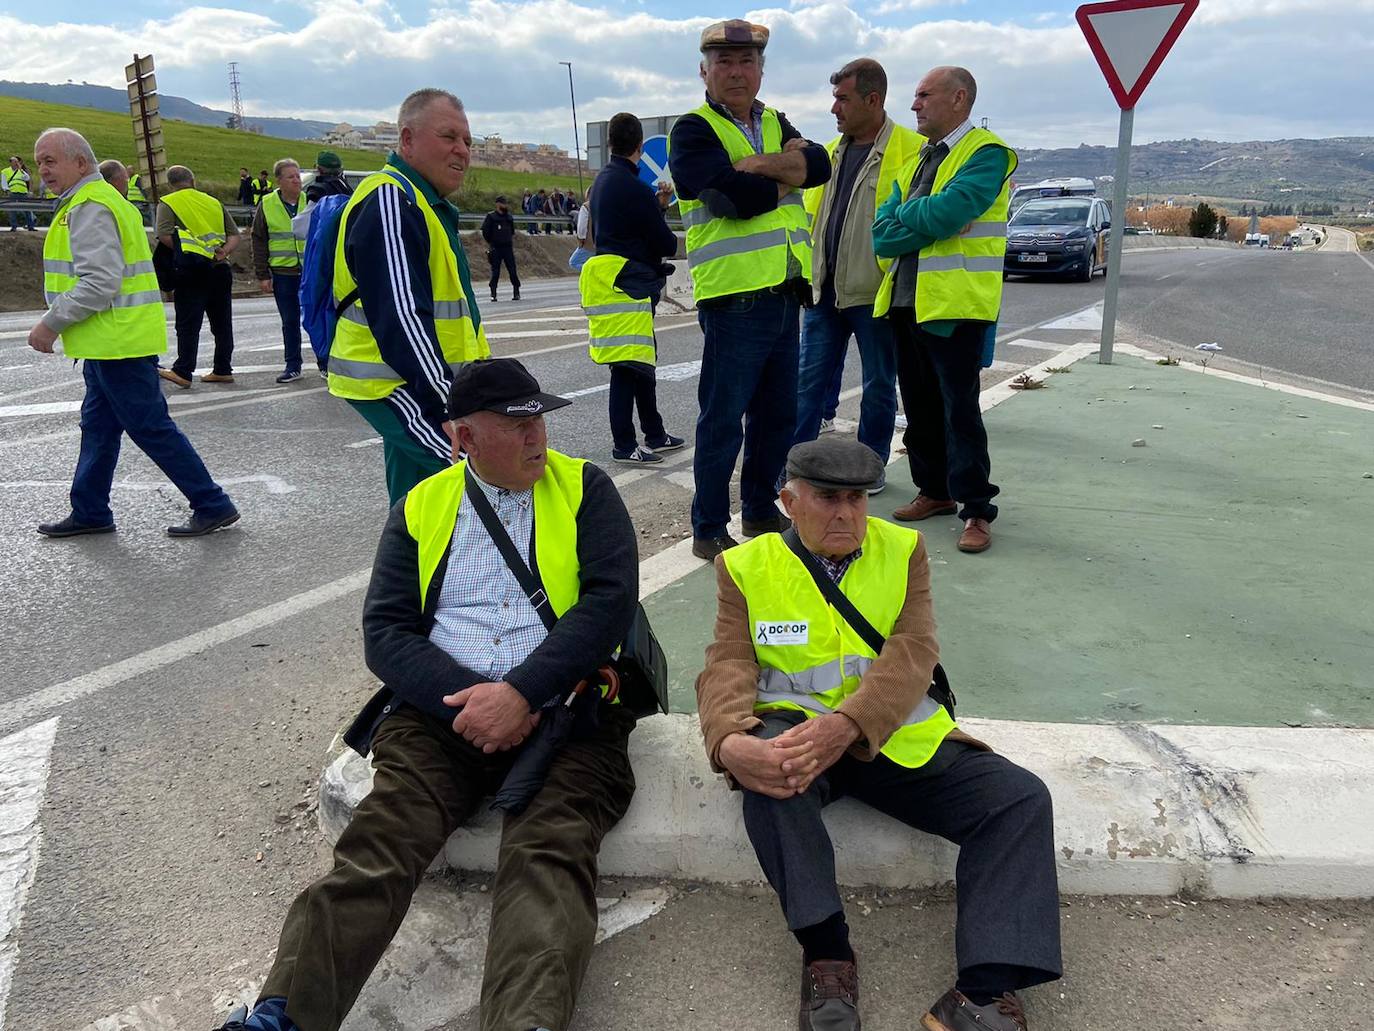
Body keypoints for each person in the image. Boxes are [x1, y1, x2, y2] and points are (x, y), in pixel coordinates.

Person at [217, 358, 640, 1031]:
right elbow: (384, 632)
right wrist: (475, 701)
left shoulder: (586, 489)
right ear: (464, 437)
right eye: (516, 422)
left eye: (539, 418)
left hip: (568, 711)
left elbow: (609, 604)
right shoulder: (422, 505)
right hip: (443, 719)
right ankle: (283, 1014)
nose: (538, 435)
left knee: (546, 855)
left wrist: (524, 692)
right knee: (378, 845)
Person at [696, 435, 1061, 1031]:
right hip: (802, 736)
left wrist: (850, 724)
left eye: (857, 498)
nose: (845, 512)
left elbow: (914, 650)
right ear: (789, 501)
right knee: (768, 772)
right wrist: (727, 740)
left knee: (1018, 799)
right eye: (826, 497)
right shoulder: (744, 565)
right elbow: (729, 661)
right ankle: (827, 953)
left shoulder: (904, 548)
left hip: (891, 736)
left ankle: (983, 992)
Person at [667, 18, 831, 561]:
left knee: (777, 417)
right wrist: (790, 170)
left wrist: (760, 165)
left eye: (746, 62)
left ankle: (760, 508)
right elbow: (729, 200)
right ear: (704, 71)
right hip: (735, 297)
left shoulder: (775, 120)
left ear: (760, 69)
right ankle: (709, 526)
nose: (736, 72)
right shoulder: (692, 131)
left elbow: (822, 165)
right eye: (724, 63)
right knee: (722, 418)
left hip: (786, 291)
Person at [28, 128, 239, 539]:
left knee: (150, 427)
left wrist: (50, 324)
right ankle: (90, 510)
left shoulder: (90, 206)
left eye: (50, 161)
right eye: (39, 162)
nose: (43, 170)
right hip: (108, 341)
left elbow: (99, 282)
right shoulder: (100, 200)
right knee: (99, 428)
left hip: (117, 342)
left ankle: (211, 503)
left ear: (81, 163)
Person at [872, 67, 1017, 554]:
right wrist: (914, 220)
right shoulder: (922, 156)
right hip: (905, 302)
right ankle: (934, 491)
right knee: (918, 406)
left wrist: (907, 217)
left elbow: (951, 213)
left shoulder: (986, 153)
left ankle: (976, 508)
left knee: (960, 411)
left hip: (955, 306)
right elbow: (882, 232)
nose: (914, 105)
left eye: (923, 95)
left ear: (958, 98)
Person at [327, 87, 491, 505]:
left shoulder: (424, 204)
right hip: (395, 382)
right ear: (406, 140)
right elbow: (402, 315)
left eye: (468, 141)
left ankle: (411, 569)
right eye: (448, 136)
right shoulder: (391, 197)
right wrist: (447, 406)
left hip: (417, 382)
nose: (462, 150)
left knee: (417, 502)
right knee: (487, 473)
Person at [793, 58, 925, 496]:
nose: (834, 109)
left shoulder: (911, 149)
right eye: (833, 99)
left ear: (873, 100)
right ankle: (797, 467)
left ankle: (869, 468)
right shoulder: (829, 154)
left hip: (877, 293)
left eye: (842, 99)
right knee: (807, 386)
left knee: (880, 385)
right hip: (824, 292)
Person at [582, 111, 684, 465]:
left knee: (639, 364)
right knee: (629, 368)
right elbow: (665, 243)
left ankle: (654, 434)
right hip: (630, 284)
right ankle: (625, 445)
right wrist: (661, 211)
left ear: (610, 143)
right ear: (640, 145)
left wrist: (653, 207)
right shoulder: (633, 187)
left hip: (613, 281)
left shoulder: (602, 183)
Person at [155, 164, 240, 387]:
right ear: (193, 181)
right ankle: (223, 369)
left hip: (191, 271)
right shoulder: (213, 202)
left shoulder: (169, 202)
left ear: (170, 184)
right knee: (222, 323)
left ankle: (183, 370)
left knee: (188, 324)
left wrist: (189, 250)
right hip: (220, 269)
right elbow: (234, 235)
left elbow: (164, 234)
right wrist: (222, 253)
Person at [251, 158, 308, 383]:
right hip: (283, 273)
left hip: (310, 272)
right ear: (279, 181)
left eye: (298, 175)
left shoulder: (310, 201)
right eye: (291, 176)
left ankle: (324, 363)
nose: (296, 180)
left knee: (316, 319)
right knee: (290, 321)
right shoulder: (267, 204)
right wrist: (262, 274)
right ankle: (293, 365)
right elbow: (258, 240)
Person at [481, 194, 521, 302]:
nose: (505, 205)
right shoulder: (491, 217)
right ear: (498, 204)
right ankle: (493, 293)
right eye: (503, 203)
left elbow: (512, 231)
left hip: (507, 247)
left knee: (512, 271)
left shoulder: (509, 217)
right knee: (495, 272)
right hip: (496, 248)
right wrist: (492, 242)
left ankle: (516, 292)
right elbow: (485, 232)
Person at [4, 155, 36, 231]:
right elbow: (4, 182)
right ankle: (14, 226)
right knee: (12, 210)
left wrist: (20, 169)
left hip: (23, 192)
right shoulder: (5, 171)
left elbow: (27, 178)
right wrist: (6, 190)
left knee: (27, 209)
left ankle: (30, 226)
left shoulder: (21, 171)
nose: (16, 163)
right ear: (11, 162)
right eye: (14, 161)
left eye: (17, 162)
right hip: (12, 192)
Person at [569, 181, 594, 270]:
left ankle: (592, 272)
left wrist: (581, 240)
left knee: (574, 262)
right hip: (604, 244)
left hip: (590, 243)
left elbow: (581, 227)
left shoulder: (586, 207)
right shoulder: (605, 206)